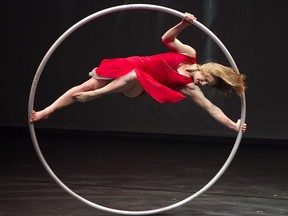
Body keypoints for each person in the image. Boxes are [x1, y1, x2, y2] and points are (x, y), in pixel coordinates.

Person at [30, 13, 247, 132]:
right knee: (84, 86)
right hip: (129, 64)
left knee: (132, 76)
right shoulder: (189, 54)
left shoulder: (188, 86)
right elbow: (167, 40)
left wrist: (233, 125)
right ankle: (48, 110)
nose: (202, 84)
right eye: (206, 79)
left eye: (206, 85)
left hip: (139, 84)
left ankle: (96, 95)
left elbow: (211, 108)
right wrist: (183, 24)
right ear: (207, 69)